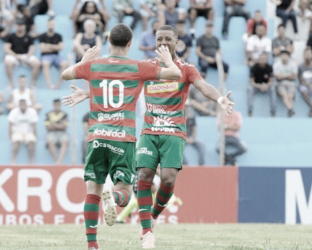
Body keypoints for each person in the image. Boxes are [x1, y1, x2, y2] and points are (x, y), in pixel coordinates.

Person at [62, 24, 234, 249]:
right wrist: (88, 93)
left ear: (176, 43)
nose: (162, 43)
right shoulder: (145, 66)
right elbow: (120, 86)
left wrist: (220, 99)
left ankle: (149, 216)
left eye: (167, 39)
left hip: (172, 131)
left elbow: (203, 86)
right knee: (142, 176)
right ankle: (147, 231)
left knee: (168, 178)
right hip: (148, 131)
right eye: (159, 39)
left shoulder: (185, 68)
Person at [61, 23, 182, 250]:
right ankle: (114, 200)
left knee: (92, 190)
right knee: (125, 190)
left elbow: (65, 74)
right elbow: (175, 74)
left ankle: (92, 245)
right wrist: (167, 58)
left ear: (108, 42)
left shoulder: (93, 65)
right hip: (123, 138)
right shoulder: (138, 67)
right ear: (130, 44)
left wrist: (83, 59)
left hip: (97, 135)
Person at [4, 19, 40, 89]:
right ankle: (11, 83)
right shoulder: (11, 36)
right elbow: (6, 48)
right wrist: (15, 55)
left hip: (25, 55)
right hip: (14, 55)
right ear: (15, 26)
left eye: (21, 25)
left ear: (24, 26)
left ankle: (32, 84)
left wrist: (28, 56)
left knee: (37, 63)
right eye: (18, 25)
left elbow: (32, 48)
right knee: (7, 62)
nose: (19, 27)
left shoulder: (28, 37)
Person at [39, 18, 69, 89]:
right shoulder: (42, 36)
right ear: (47, 25)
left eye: (52, 24)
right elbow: (43, 49)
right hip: (46, 56)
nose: (51, 26)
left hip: (56, 56)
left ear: (54, 25)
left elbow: (61, 47)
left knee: (65, 64)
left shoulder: (58, 36)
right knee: (45, 63)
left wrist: (48, 45)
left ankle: (58, 85)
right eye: (49, 24)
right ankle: (49, 84)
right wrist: (55, 47)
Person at [8, 99, 38, 164]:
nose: (23, 106)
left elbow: (34, 125)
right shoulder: (14, 112)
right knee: (17, 141)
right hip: (17, 132)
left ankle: (31, 161)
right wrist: (10, 136)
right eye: (21, 105)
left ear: (27, 105)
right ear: (19, 105)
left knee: (31, 142)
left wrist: (35, 135)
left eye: (24, 104)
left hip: (28, 132)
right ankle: (13, 160)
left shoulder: (32, 112)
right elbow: (10, 125)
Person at [273, 50, 298, 117]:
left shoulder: (293, 64)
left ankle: (290, 110)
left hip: (291, 83)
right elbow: (278, 77)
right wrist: (289, 75)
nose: (284, 57)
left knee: (290, 96)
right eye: (282, 55)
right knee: (284, 95)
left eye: (285, 55)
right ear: (280, 57)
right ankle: (290, 109)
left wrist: (283, 76)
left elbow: (294, 77)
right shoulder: (276, 65)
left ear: (288, 56)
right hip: (280, 83)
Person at [45, 99, 69, 165]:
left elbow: (64, 127)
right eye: (55, 105)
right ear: (53, 105)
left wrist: (53, 124)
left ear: (60, 105)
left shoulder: (64, 114)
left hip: (62, 133)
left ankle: (60, 160)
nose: (57, 106)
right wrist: (59, 124)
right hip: (51, 133)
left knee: (65, 141)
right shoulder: (48, 114)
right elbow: (48, 127)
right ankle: (57, 160)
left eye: (58, 105)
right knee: (50, 141)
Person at [182, 101, 205, 165]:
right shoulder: (179, 117)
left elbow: (194, 129)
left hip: (191, 137)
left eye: (187, 106)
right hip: (182, 137)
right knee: (177, 146)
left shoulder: (192, 117)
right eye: (185, 106)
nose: (186, 108)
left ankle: (201, 162)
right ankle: (184, 162)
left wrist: (192, 138)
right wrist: (185, 138)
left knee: (202, 145)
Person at [298, 48, 312, 117]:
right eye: (306, 54)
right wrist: (309, 85)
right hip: (305, 85)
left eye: (309, 54)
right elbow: (301, 81)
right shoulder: (301, 67)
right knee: (304, 91)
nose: (308, 55)